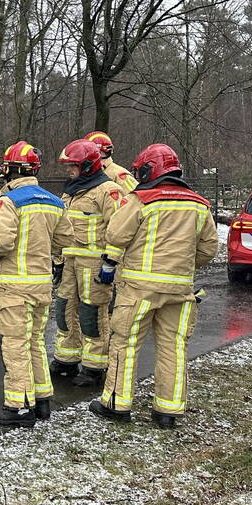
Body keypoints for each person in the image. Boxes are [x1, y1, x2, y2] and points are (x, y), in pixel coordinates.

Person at [90, 143, 218, 429]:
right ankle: (168, 411)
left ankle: (116, 404)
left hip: (139, 289)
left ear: (149, 170)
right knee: (173, 347)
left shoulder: (142, 199)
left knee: (125, 344)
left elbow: (116, 233)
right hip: (181, 290)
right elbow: (209, 248)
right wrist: (182, 265)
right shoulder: (199, 204)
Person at [0, 142, 72, 427]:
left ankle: (19, 407)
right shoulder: (54, 201)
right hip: (42, 284)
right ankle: (42, 400)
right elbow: (65, 239)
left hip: (13, 286)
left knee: (14, 344)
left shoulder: (7, 201)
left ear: (9, 170)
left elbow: (1, 241)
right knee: (35, 342)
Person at [49, 139, 123, 388]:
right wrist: (58, 260)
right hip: (70, 261)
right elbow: (62, 228)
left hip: (94, 263)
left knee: (92, 313)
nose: (68, 170)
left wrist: (111, 263)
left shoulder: (108, 190)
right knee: (64, 309)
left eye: (73, 165)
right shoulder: (71, 190)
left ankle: (95, 366)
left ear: (89, 165)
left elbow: (119, 229)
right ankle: (66, 359)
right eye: (67, 165)